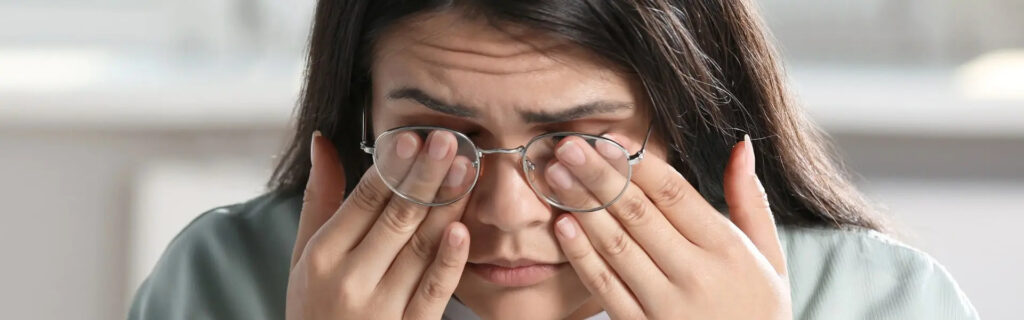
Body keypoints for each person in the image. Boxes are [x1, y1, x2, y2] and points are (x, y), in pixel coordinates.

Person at [128, 1, 979, 319]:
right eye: (438, 140)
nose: (506, 213)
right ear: (355, 114)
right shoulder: (221, 282)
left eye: (579, 147)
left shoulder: (881, 303)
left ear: (684, 128)